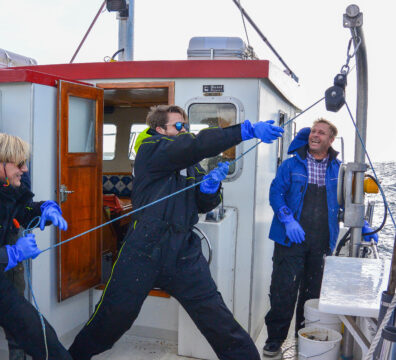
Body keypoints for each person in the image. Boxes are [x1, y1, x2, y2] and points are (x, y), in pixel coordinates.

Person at [69, 105, 284, 360]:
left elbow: (204, 204)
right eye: (179, 126)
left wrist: (209, 189)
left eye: (186, 126)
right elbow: (193, 146)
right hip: (143, 248)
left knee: (215, 317)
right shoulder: (151, 150)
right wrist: (245, 130)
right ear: (160, 129)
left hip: (183, 250)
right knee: (114, 317)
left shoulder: (191, 166)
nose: (185, 131)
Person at [263, 119, 377, 357]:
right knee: (283, 290)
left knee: (312, 292)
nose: (315, 135)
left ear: (330, 139)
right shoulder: (291, 165)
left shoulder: (339, 169)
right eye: (313, 131)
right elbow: (276, 193)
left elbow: (346, 200)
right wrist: (287, 219)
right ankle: (275, 339)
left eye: (321, 132)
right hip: (289, 238)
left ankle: (303, 336)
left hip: (322, 240)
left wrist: (363, 224)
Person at [0, 133, 71, 360]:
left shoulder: (9, 187)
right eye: (19, 164)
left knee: (40, 335)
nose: (25, 169)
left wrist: (45, 210)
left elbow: (22, 209)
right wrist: (13, 253)